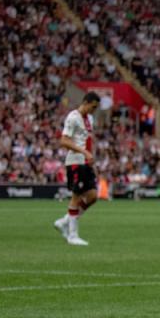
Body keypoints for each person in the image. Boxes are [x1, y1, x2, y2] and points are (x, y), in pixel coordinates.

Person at [54, 92, 101, 246]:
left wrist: (90, 158)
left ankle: (65, 221)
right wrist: (83, 152)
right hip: (75, 162)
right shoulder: (73, 117)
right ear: (85, 102)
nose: (94, 110)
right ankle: (73, 236)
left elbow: (86, 140)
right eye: (93, 107)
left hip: (85, 162)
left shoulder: (90, 119)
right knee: (77, 196)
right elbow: (64, 140)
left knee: (93, 196)